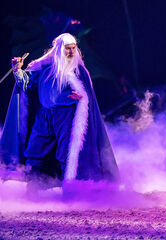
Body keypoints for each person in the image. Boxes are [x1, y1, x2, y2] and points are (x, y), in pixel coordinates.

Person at [0, 33, 119, 189]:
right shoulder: (43, 67)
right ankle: (33, 189)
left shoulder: (78, 70)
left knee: (65, 153)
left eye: (73, 48)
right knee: (34, 150)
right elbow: (26, 84)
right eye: (67, 49)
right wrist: (18, 70)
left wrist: (81, 96)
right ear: (58, 50)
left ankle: (68, 190)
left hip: (66, 115)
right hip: (44, 115)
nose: (70, 52)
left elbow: (87, 94)